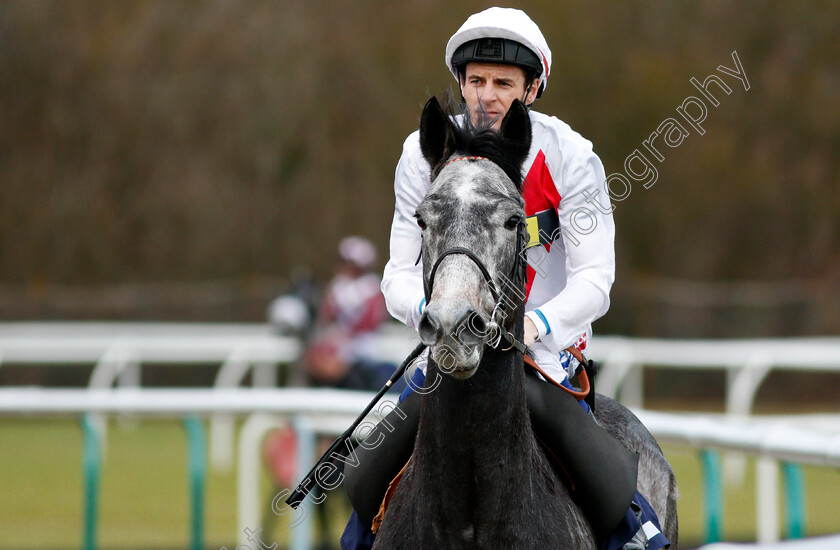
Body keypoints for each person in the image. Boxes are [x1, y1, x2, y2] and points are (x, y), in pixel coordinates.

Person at [341, 8, 669, 550]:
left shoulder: (571, 156)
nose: (486, 96)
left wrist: (532, 328)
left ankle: (639, 534)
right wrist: (432, 315)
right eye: (475, 81)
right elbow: (397, 273)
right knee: (370, 469)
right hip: (447, 347)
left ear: (533, 88)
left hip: (544, 359)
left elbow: (596, 280)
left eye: (503, 84)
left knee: (574, 448)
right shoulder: (421, 155)